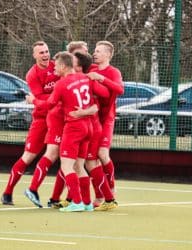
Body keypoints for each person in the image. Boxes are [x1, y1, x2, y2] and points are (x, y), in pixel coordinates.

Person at [28, 51, 110, 212]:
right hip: (88, 127)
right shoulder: (85, 78)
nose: (54, 69)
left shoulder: (62, 84)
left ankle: (77, 201)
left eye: (57, 66)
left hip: (73, 128)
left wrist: (33, 101)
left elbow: (49, 104)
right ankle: (87, 203)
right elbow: (103, 96)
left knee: (67, 166)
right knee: (79, 166)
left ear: (64, 66)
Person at [1, 41, 59, 205]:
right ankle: (7, 192)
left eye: (47, 51)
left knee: (65, 158)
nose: (45, 55)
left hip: (57, 119)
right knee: (28, 157)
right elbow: (40, 99)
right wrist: (58, 97)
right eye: (41, 53)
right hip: (41, 119)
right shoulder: (32, 75)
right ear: (34, 56)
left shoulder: (57, 67)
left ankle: (58, 198)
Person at [87, 41, 124, 206]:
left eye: (99, 51)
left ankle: (111, 186)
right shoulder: (91, 69)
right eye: (94, 51)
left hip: (106, 119)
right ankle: (100, 195)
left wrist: (101, 78)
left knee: (103, 154)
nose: (95, 54)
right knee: (90, 159)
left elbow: (120, 89)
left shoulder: (113, 72)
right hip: (92, 119)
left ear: (108, 54)